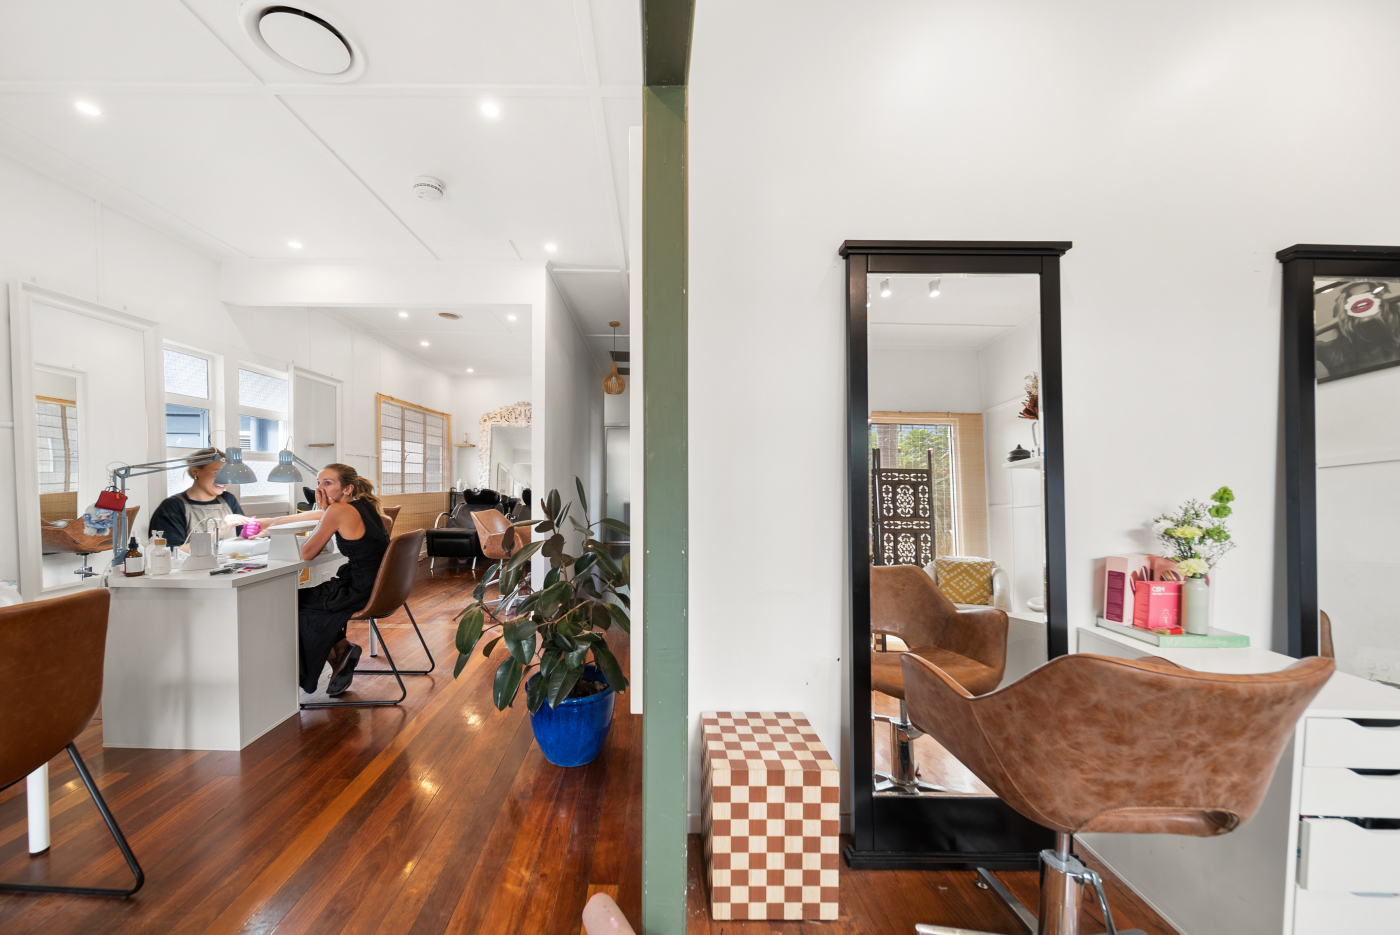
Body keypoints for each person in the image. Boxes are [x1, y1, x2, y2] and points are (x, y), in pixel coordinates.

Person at [296, 463, 390, 696]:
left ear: (347, 489)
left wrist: (324, 513)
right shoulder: (365, 505)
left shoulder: (338, 510)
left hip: (360, 590)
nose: (320, 489)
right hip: (381, 588)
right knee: (308, 598)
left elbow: (306, 553)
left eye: (328, 483)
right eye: (318, 483)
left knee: (293, 602)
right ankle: (341, 651)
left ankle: (341, 652)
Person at [147, 448, 248, 548]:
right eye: (218, 473)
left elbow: (241, 537)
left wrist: (252, 532)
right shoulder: (172, 507)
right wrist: (218, 532)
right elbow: (171, 552)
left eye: (227, 474)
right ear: (195, 471)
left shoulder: (228, 499)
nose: (224, 480)